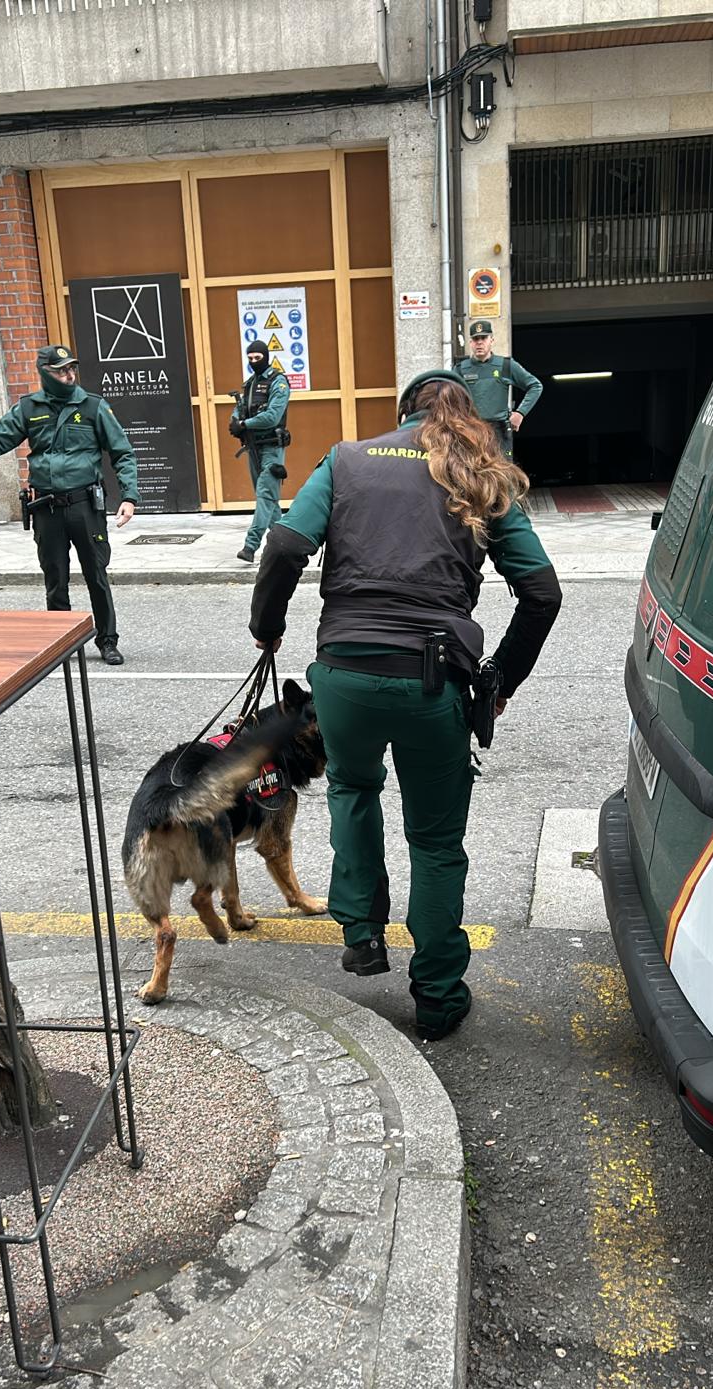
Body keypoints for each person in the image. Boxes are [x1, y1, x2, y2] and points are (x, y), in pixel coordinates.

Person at [248, 369, 562, 1041]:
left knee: (354, 788)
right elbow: (543, 595)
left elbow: (283, 545)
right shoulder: (483, 472)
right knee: (437, 842)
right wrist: (498, 681)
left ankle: (361, 931)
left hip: (344, 675)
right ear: (464, 417)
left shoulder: (348, 459)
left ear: (401, 417)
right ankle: (439, 999)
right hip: (433, 682)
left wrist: (265, 627)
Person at [0, 344, 138, 666]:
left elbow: (123, 452)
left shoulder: (94, 406)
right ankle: (63, 643)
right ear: (45, 372)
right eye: (61, 370)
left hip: (84, 505)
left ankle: (107, 640)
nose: (69, 375)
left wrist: (129, 496)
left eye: (72, 369)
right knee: (55, 577)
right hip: (46, 508)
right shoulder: (29, 408)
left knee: (96, 574)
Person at [230, 340, 291, 564]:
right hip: (253, 448)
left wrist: (244, 424)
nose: (254, 362)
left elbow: (273, 416)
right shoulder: (250, 385)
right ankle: (282, 544)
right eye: (250, 358)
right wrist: (236, 423)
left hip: (272, 448)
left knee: (265, 495)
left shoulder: (278, 382)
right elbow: (237, 411)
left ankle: (250, 546)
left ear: (265, 357)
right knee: (270, 500)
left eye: (257, 358)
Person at [454, 321, 542, 459]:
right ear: (470, 342)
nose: (479, 343)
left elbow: (535, 386)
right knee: (471, 476)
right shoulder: (460, 369)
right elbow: (447, 396)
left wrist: (520, 413)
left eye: (484, 338)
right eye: (476, 339)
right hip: (471, 431)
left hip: (499, 431)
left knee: (503, 476)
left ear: (492, 340)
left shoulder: (506, 366)